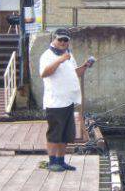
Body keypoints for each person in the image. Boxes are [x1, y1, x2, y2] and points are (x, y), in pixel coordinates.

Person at [39, 28, 93, 172]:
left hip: (69, 101)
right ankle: (52, 162)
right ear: (54, 40)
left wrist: (86, 66)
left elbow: (76, 73)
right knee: (54, 133)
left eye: (65, 40)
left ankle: (61, 161)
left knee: (66, 134)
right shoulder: (47, 55)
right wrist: (60, 60)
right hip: (55, 102)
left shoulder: (69, 55)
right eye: (60, 39)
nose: (63, 42)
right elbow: (44, 73)